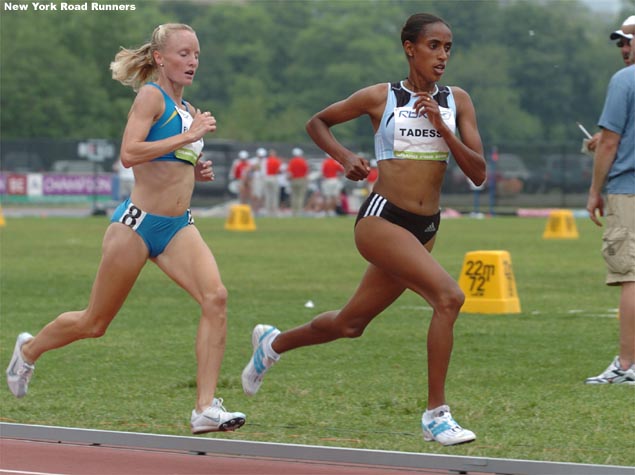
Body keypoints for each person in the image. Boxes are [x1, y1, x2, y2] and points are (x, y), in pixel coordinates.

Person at [241, 13, 486, 446]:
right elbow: (318, 122)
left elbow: (479, 173)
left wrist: (443, 128)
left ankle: (273, 345)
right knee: (449, 297)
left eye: (448, 47)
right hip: (382, 218)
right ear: (410, 48)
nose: (443, 55)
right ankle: (436, 415)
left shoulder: (457, 100)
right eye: (434, 46)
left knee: (351, 324)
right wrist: (343, 156)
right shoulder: (381, 97)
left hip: (426, 226)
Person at [5, 23, 246, 434]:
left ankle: (204, 408)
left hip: (177, 227)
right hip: (135, 226)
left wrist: (195, 166)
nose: (192, 62)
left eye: (197, 55)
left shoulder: (188, 110)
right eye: (183, 54)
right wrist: (187, 138)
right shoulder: (151, 97)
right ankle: (29, 349)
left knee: (216, 298)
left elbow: (171, 163)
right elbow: (129, 154)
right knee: (94, 323)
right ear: (160, 58)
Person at [584, 53, 635, 385]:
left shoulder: (624, 80)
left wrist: (594, 191)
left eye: (629, 39)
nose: (624, 47)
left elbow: (611, 142)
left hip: (628, 190)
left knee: (631, 276)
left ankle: (627, 365)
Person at [586, 16, 635, 153]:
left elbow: (609, 144)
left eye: (630, 42)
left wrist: (607, 141)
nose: (625, 50)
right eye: (621, 44)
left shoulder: (622, 80)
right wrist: (607, 137)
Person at [287, 147, 310, 215]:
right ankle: (299, 211)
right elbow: (306, 171)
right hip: (301, 179)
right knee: (300, 196)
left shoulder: (291, 161)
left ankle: (294, 211)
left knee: (294, 196)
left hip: (294, 180)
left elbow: (289, 172)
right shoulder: (303, 161)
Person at [263, 149, 282, 216]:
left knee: (268, 195)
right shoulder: (277, 161)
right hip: (273, 177)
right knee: (274, 195)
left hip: (266, 177)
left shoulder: (266, 160)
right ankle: (274, 211)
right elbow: (279, 171)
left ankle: (268, 211)